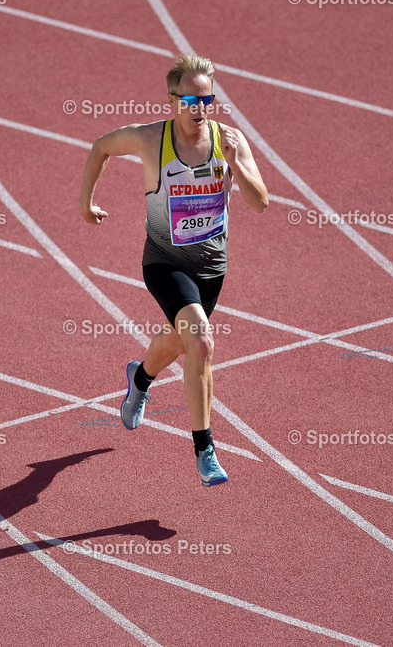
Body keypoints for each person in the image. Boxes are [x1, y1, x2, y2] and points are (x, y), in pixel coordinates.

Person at [78, 53, 269, 486]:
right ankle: (205, 450)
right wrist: (85, 200)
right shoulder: (151, 140)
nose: (199, 109)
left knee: (182, 342)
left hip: (211, 267)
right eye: (190, 100)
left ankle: (140, 376)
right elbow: (101, 146)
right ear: (172, 100)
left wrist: (237, 166)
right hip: (164, 260)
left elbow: (261, 203)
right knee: (201, 341)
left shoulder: (231, 140)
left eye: (207, 100)